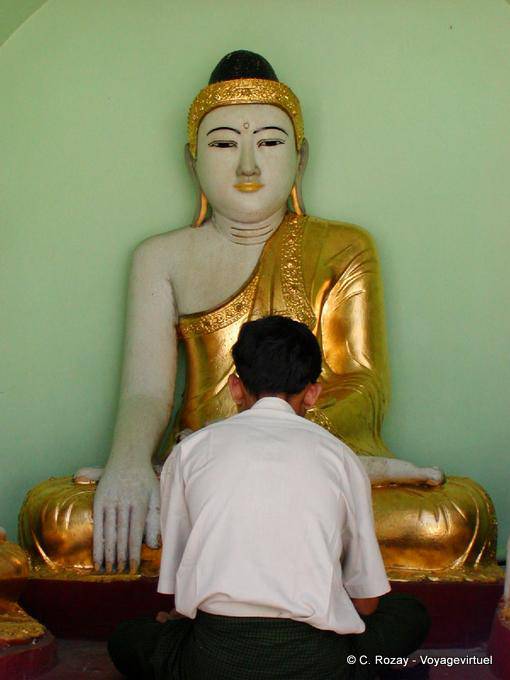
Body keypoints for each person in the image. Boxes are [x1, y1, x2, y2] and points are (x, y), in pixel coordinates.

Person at [19, 50, 497, 582]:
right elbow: (147, 394)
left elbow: (361, 385)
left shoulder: (343, 246)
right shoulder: (160, 257)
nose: (248, 166)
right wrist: (130, 465)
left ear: (301, 157)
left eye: (269, 142)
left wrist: (264, 443)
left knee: (448, 518)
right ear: (191, 159)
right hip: (201, 464)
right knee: (57, 516)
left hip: (304, 458)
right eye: (223, 143)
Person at [108, 316, 430, 679]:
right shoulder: (340, 458)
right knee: (408, 614)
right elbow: (366, 604)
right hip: (318, 663)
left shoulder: (189, 453)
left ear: (234, 387)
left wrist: (178, 623)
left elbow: (182, 591)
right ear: (312, 392)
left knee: (127, 637)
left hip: (212, 661)